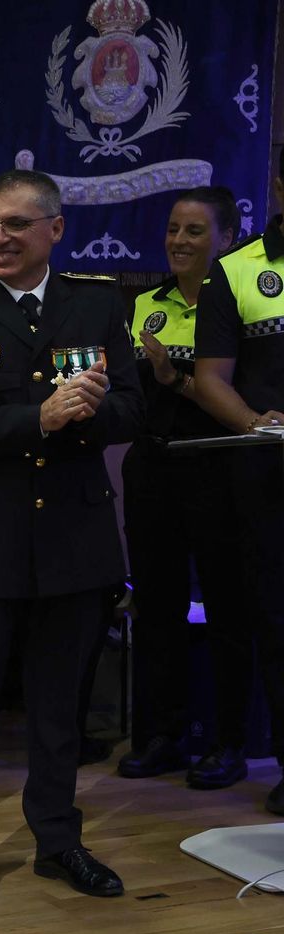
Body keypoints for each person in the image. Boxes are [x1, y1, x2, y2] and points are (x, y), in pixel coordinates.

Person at [0, 169, 143, 907]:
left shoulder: (98, 303)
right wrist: (36, 420)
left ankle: (57, 839)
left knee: (59, 707)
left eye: (14, 225)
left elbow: (133, 413)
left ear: (55, 229)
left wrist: (95, 410)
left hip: (73, 536)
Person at [117, 189, 251, 788]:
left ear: (226, 238)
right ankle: (160, 735)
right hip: (154, 471)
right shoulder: (146, 303)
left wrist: (176, 378)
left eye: (195, 231)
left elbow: (225, 395)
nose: (178, 241)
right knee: (157, 608)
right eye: (173, 229)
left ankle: (228, 741)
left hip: (221, 472)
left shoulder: (240, 304)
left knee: (227, 608)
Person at [189, 156, 284, 817]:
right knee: (276, 624)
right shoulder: (239, 269)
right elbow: (209, 378)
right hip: (269, 481)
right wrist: (256, 422)